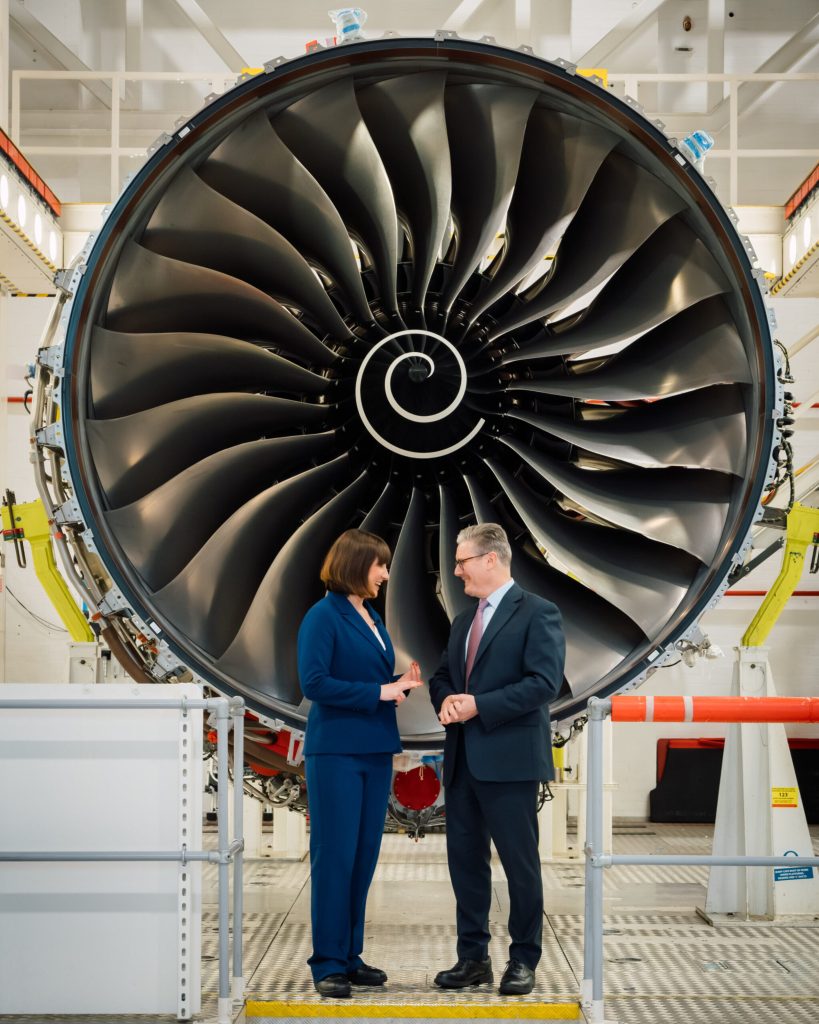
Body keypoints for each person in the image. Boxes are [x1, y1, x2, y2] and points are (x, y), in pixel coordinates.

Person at [428, 522, 565, 996]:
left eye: (462, 560)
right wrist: (446, 700)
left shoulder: (538, 613)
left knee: (519, 864)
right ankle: (473, 959)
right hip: (464, 758)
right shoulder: (464, 620)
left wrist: (479, 705)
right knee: (465, 863)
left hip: (510, 761)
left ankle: (524, 958)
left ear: (491, 559)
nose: (456, 569)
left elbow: (543, 684)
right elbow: (444, 675)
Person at [297, 528, 422, 999]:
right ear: (354, 564)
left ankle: (350, 956)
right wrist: (380, 692)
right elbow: (314, 683)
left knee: (363, 858)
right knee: (335, 856)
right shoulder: (322, 616)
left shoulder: (368, 615)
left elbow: (363, 679)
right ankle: (326, 962)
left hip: (373, 749)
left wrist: (398, 682)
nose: (386, 574)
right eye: (380, 565)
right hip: (336, 752)